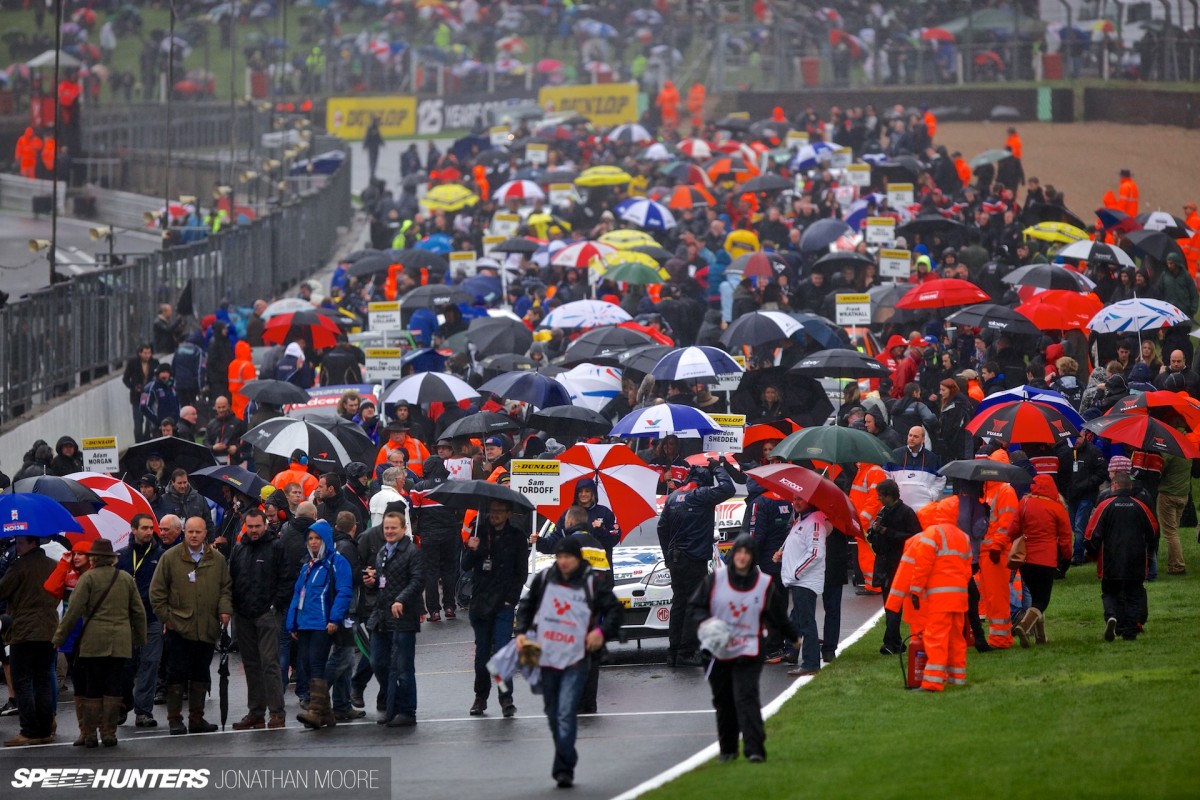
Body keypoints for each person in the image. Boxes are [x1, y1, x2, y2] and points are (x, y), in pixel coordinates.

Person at [515, 537, 623, 789]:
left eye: (568, 557)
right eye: (559, 557)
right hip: (547, 656)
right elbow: (526, 607)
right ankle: (568, 754)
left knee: (565, 712)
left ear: (578, 559)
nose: (563, 561)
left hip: (577, 658)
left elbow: (615, 611)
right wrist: (521, 632)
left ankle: (563, 768)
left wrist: (600, 632)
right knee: (553, 713)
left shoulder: (592, 583)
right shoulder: (544, 579)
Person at [687, 534, 800, 763]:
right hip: (718, 651)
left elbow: (777, 615)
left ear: (752, 557)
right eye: (738, 552)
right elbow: (695, 607)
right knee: (724, 701)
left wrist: (794, 637)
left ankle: (755, 749)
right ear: (733, 555)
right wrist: (707, 624)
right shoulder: (715, 580)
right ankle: (728, 750)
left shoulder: (764, 584)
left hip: (749, 650)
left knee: (746, 697)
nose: (742, 557)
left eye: (747, 553)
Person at [51, 540, 146, 748]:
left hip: (93, 640)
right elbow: (138, 612)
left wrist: (58, 638)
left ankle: (91, 735)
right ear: (113, 558)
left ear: (93, 557)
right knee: (113, 685)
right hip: (120, 641)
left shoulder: (88, 579)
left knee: (92, 686)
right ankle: (109, 733)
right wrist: (140, 639)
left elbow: (73, 612)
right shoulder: (125, 579)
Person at [148, 515, 233, 735]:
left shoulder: (217, 559)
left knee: (201, 674)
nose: (194, 536)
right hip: (179, 629)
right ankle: (175, 719)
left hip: (206, 627)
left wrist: (224, 610)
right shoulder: (170, 558)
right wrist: (167, 618)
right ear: (184, 533)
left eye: (198, 532)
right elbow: (157, 592)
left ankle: (197, 719)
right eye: (190, 532)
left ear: (206, 534)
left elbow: (225, 588)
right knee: (176, 675)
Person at [657, 458, 735, 667]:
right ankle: (686, 652)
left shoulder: (673, 497)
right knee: (693, 604)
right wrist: (718, 468)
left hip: (675, 559)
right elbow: (728, 488)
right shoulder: (700, 495)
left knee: (679, 604)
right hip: (694, 559)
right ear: (704, 482)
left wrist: (668, 554)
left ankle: (673, 652)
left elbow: (661, 528)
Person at [463, 500, 528, 717]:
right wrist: (470, 549)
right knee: (482, 655)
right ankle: (480, 697)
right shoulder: (479, 531)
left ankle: (505, 697)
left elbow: (521, 572)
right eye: (493, 511)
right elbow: (465, 566)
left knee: (502, 652)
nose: (495, 515)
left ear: (508, 513)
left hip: (503, 604)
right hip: (481, 603)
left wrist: (511, 599)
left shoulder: (517, 537)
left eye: (500, 512)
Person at [287, 519, 352, 729]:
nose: (313, 542)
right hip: (305, 623)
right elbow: (297, 595)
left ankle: (316, 710)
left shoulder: (337, 562)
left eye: (317, 538)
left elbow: (344, 591)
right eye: (310, 539)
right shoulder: (307, 566)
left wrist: (335, 619)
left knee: (316, 663)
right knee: (305, 664)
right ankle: (326, 713)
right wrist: (292, 623)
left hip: (322, 623)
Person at [364, 511, 425, 727]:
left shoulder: (412, 552)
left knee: (403, 667)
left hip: (403, 617)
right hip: (382, 616)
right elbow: (384, 581)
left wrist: (401, 599)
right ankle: (394, 706)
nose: (389, 531)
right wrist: (372, 581)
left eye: (393, 528)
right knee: (378, 662)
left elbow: (418, 580)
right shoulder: (382, 552)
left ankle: (407, 711)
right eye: (386, 528)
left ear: (403, 528)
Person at [228, 508, 287, 730]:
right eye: (250, 526)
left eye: (257, 526)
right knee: (251, 665)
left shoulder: (276, 546)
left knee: (269, 664)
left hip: (267, 614)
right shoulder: (239, 548)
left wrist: (275, 606)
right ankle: (256, 712)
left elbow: (285, 578)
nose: (253, 530)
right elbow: (231, 578)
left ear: (265, 525)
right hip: (243, 615)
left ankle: (276, 712)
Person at [1084, 472, 1158, 641]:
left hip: (1110, 558)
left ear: (1115, 486)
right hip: (1136, 558)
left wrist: (1091, 552)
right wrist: (1148, 551)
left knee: (1110, 592)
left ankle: (1112, 616)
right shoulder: (1141, 506)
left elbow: (1091, 534)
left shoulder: (1105, 505)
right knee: (1134, 594)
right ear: (1130, 487)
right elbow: (1153, 531)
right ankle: (1130, 632)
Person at [0, 536, 58, 747]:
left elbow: (2, 590)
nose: (17, 546)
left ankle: (29, 730)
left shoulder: (19, 566)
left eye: (21, 542)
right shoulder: (53, 565)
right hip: (49, 629)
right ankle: (44, 729)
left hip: (24, 630)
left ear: (33, 543)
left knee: (22, 681)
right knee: (42, 680)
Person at [907, 524, 973, 692]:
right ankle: (957, 678)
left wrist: (915, 589)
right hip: (959, 597)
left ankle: (932, 682)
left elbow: (922, 566)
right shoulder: (963, 536)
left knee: (936, 638)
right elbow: (967, 569)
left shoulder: (932, 534)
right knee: (956, 639)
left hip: (940, 598)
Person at [116, 514, 165, 729]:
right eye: (144, 528)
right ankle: (123, 703)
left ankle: (143, 711)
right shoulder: (121, 557)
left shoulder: (161, 556)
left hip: (152, 617)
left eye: (150, 528)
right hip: (126, 619)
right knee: (126, 667)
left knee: (150, 664)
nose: (148, 532)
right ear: (133, 529)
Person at [1012, 476, 1073, 648]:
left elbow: (1013, 529)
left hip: (1025, 560)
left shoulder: (1024, 503)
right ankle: (1024, 626)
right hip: (1046, 560)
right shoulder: (1057, 508)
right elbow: (1066, 538)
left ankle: (1040, 637)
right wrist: (1067, 557)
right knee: (1042, 601)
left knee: (1036, 598)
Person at [776, 494, 829, 677]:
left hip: (804, 582)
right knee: (800, 622)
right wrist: (782, 554)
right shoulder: (801, 520)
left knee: (807, 624)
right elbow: (799, 547)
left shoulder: (814, 521)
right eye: (795, 499)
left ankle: (811, 663)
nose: (796, 502)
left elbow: (816, 553)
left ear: (810, 500)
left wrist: (796, 573)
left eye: (800, 499)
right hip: (798, 581)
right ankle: (802, 658)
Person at [868, 480, 922, 654]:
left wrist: (887, 532)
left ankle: (890, 642)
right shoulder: (883, 511)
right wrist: (874, 532)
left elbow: (915, 537)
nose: (879, 499)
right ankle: (895, 642)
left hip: (899, 563)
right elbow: (875, 539)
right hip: (884, 562)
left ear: (890, 495)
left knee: (893, 603)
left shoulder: (906, 513)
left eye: (881, 495)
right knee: (889, 604)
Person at [325, 512, 366, 722]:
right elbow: (350, 576)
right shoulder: (348, 547)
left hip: (336, 606)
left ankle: (342, 705)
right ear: (354, 527)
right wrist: (366, 574)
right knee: (345, 656)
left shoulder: (332, 544)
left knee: (346, 659)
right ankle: (318, 696)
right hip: (347, 607)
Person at [410, 457, 463, 620]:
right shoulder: (452, 487)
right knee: (449, 570)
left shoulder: (418, 488)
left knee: (431, 572)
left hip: (428, 536)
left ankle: (433, 610)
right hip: (450, 534)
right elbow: (460, 512)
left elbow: (413, 513)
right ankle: (449, 606)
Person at [1156, 452, 1191, 576]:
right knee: (1174, 530)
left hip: (1168, 494)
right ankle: (1173, 565)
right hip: (1183, 494)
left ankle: (1178, 566)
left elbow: (1159, 468)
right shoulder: (1186, 447)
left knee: (1170, 533)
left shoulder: (1170, 451)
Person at [123, 344, 159, 443]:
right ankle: (139, 444)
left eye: (149, 353)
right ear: (140, 353)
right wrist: (134, 387)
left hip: (150, 397)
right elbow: (125, 379)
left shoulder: (155, 363)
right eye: (145, 353)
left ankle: (147, 442)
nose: (147, 355)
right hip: (137, 398)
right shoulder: (133, 364)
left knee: (150, 423)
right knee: (138, 424)